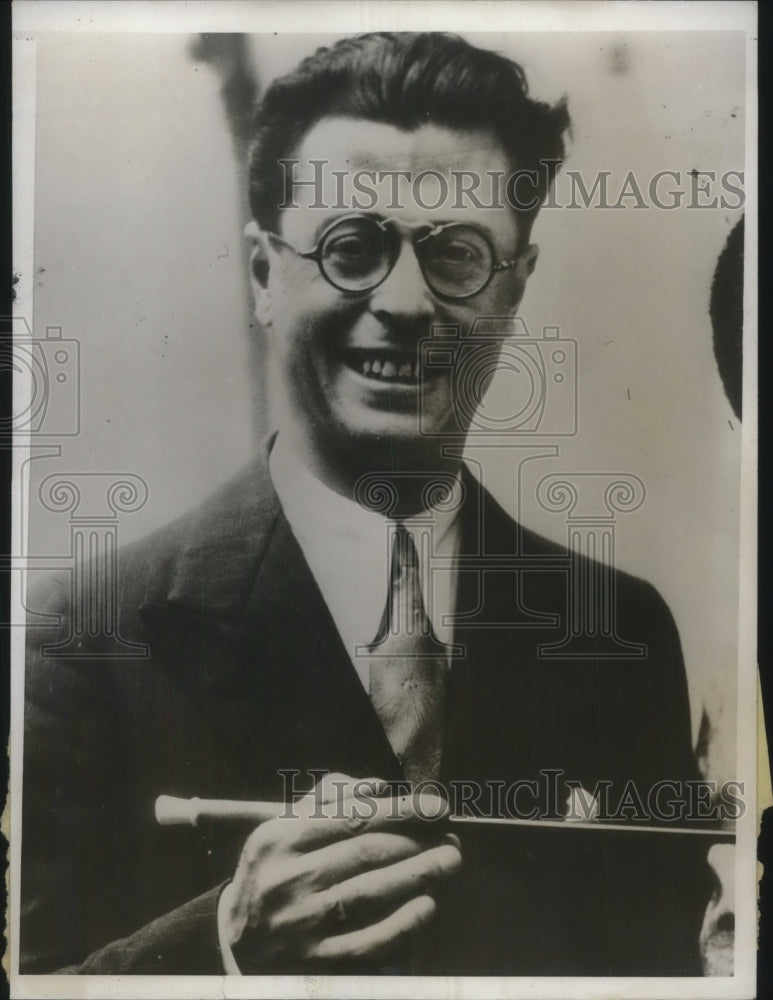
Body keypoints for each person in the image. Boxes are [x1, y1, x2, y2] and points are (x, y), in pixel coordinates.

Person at [21, 32, 712, 977]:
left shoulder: (620, 634)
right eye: (353, 247)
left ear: (515, 287)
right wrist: (223, 950)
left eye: (458, 255)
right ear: (264, 276)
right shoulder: (83, 634)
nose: (404, 302)